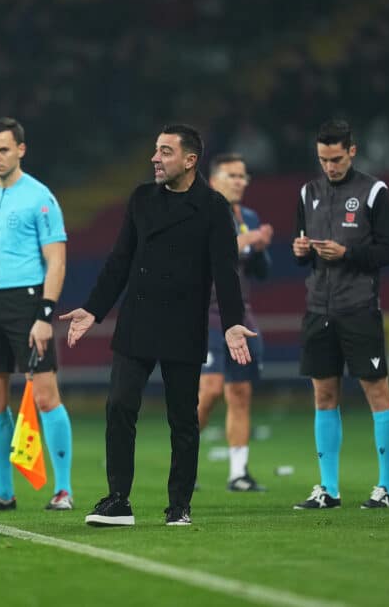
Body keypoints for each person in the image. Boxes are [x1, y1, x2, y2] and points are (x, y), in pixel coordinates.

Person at [61, 124, 256, 527]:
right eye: (155, 150)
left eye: (165, 152)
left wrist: (234, 323)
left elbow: (226, 271)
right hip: (138, 321)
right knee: (118, 406)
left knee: (183, 419)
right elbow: (119, 261)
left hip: (184, 325)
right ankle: (118, 501)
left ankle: (179, 506)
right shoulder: (141, 199)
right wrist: (94, 310)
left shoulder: (213, 207)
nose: (155, 158)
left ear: (190, 160)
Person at [0, 117, 74, 512]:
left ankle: (63, 490)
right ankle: (3, 493)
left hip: (26, 304)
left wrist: (45, 313)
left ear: (21, 149)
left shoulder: (40, 197)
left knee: (44, 397)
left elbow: (56, 261)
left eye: (3, 149)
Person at [291, 119, 389, 510]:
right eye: (323, 159)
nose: (330, 167)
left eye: (336, 159)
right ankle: (328, 489)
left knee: (377, 392)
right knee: (323, 396)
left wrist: (348, 254)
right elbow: (301, 250)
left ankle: (385, 487)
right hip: (318, 308)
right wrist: (300, 250)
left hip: (359, 308)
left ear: (352, 151)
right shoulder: (308, 192)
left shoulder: (374, 191)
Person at [197, 153, 272, 492]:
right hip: (206, 316)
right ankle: (184, 459)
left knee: (240, 394)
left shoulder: (249, 216)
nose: (240, 181)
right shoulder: (200, 212)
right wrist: (247, 241)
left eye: (243, 176)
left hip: (241, 317)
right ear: (214, 180)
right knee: (209, 392)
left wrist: (260, 249)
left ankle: (238, 473)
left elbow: (261, 271)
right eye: (232, 175)